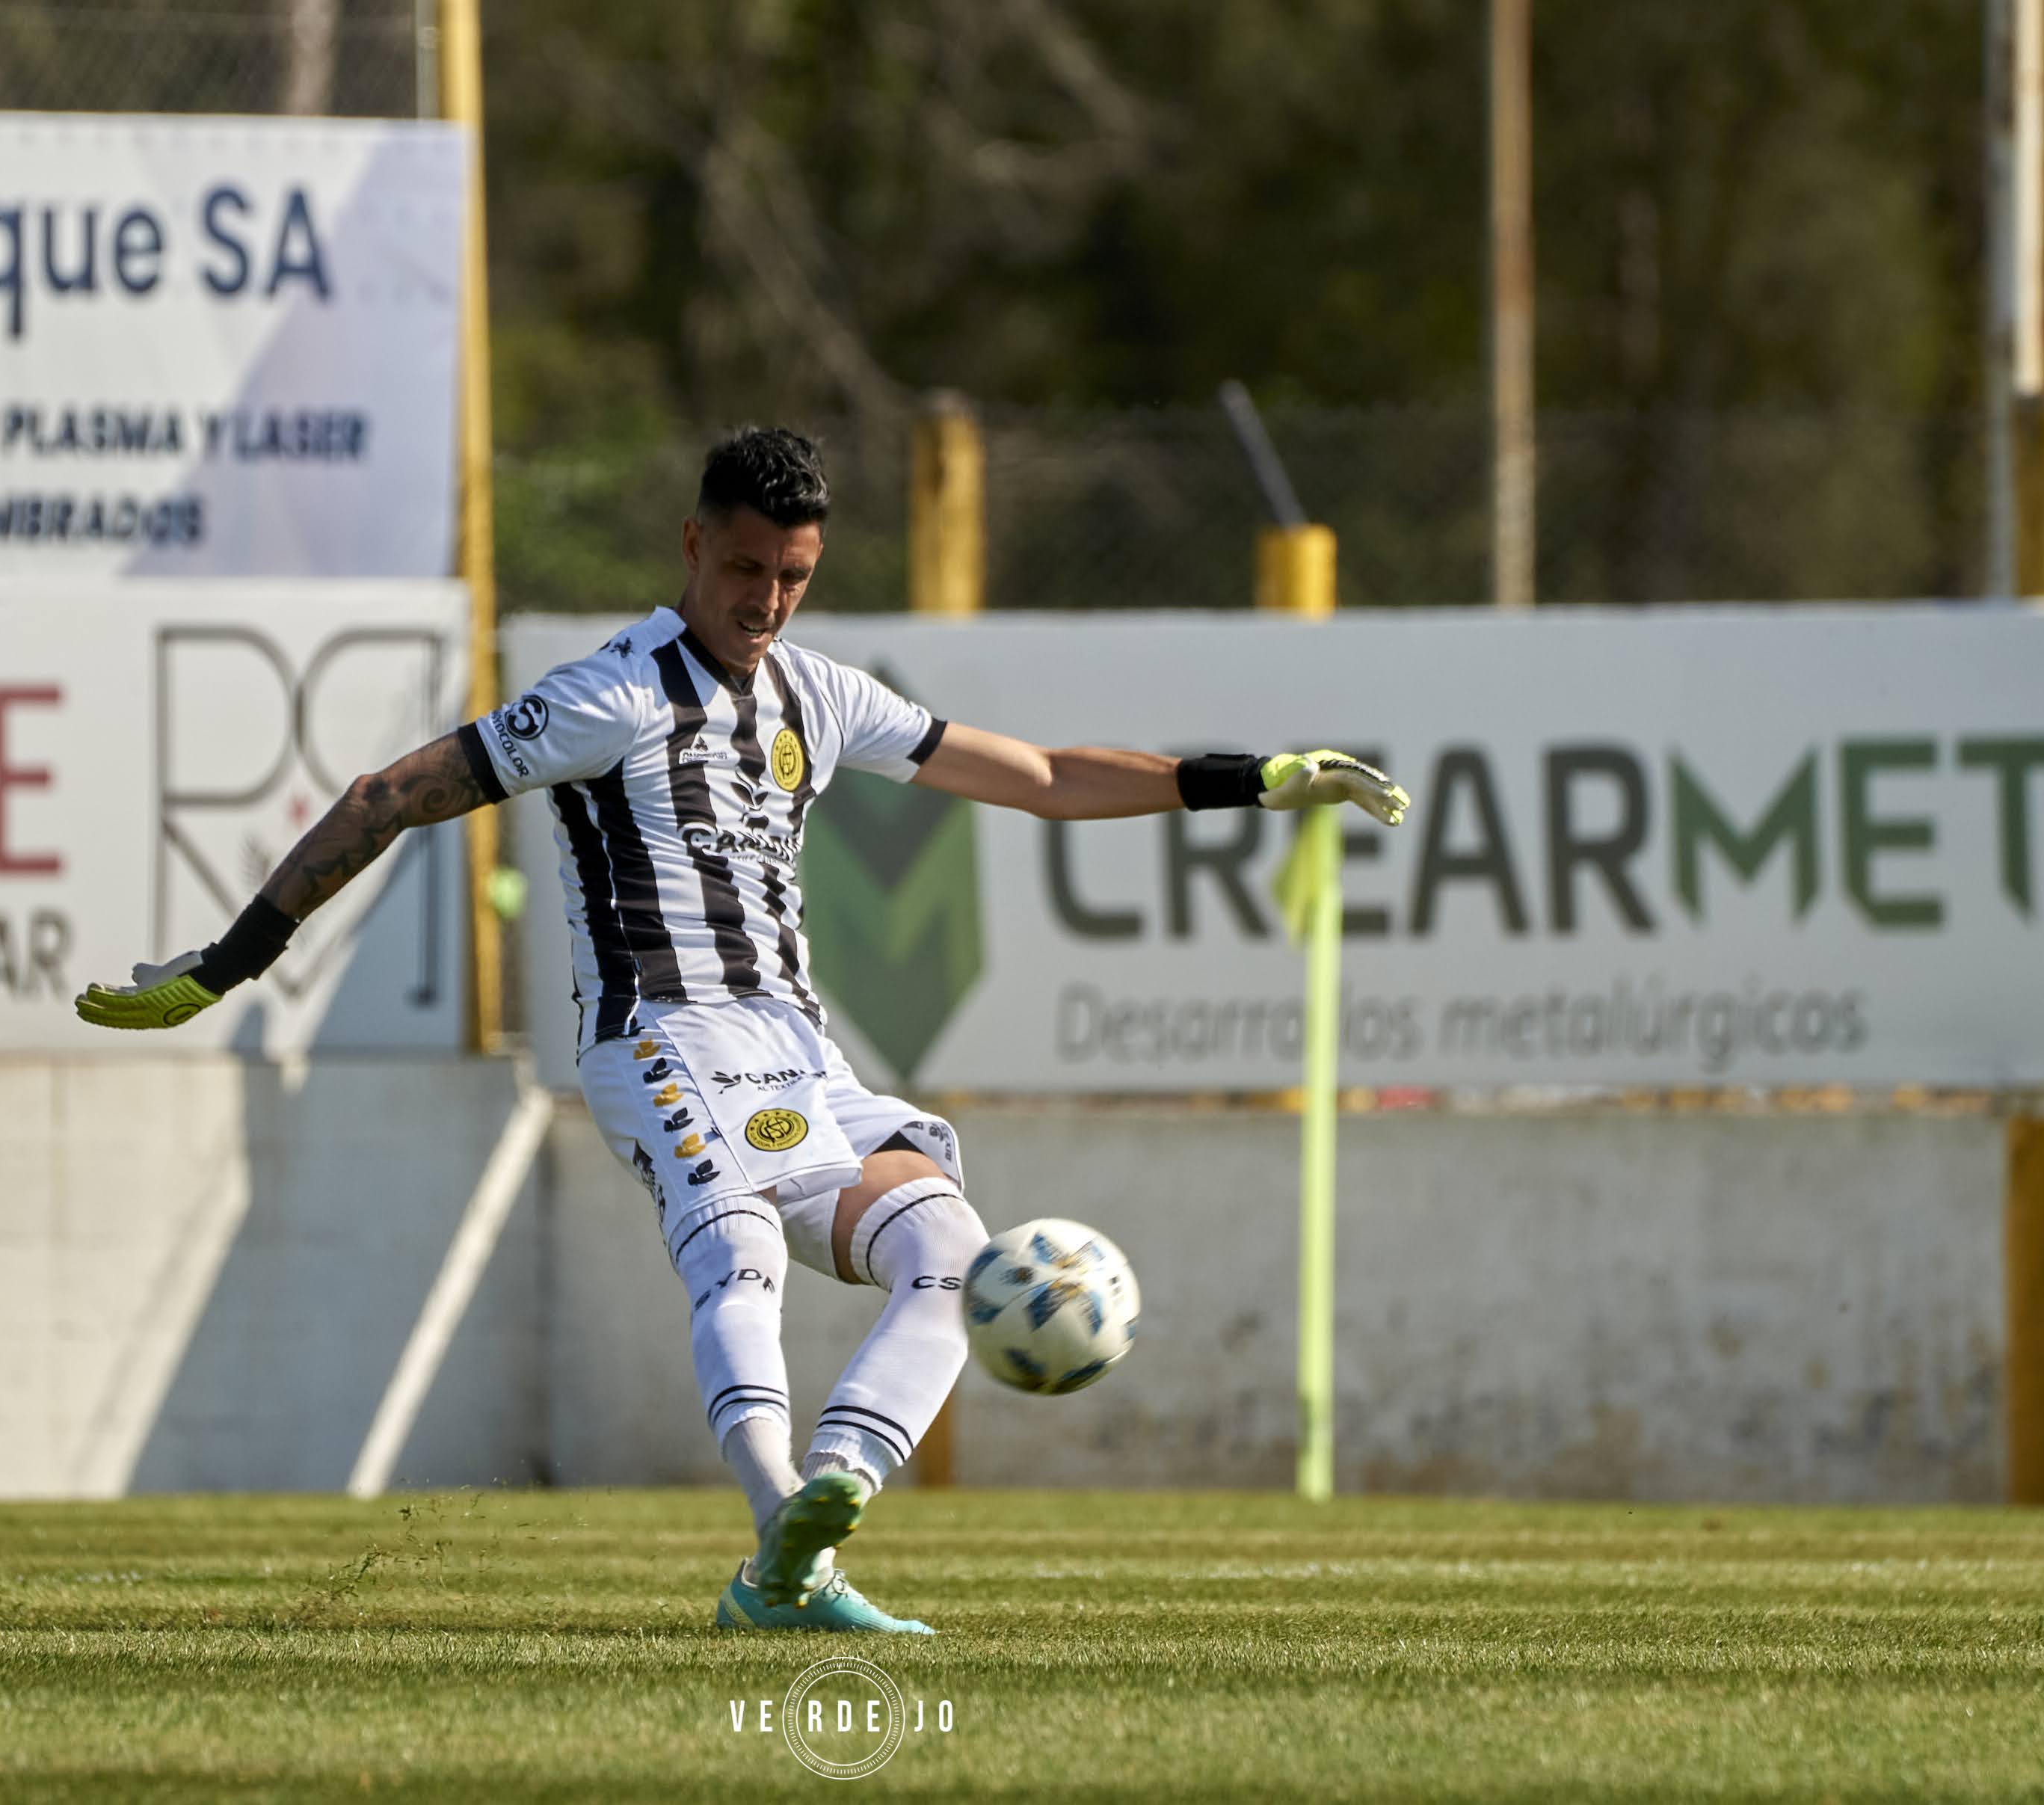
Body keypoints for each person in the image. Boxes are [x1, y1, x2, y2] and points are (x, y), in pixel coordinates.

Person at [76, 426, 1410, 1634]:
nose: (767, 600)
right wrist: (234, 960)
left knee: (949, 1241)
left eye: (795, 576)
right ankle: (778, 1515)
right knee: (742, 1242)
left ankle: (816, 1525)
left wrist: (1260, 778)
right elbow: (389, 794)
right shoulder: (608, 695)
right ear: (695, 543)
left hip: (797, 1053)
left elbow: (1048, 779)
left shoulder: (816, 698)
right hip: (655, 1036)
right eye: (749, 567)